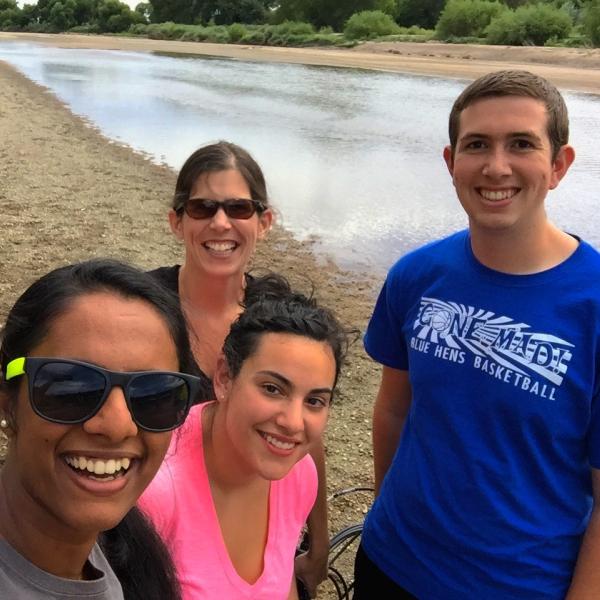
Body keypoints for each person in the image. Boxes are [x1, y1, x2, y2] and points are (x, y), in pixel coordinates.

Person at [354, 70, 600, 599]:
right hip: (390, 563)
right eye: (477, 145)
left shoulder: (593, 305)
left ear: (559, 165)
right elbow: (394, 408)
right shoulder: (416, 275)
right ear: (451, 162)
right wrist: (383, 508)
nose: (496, 166)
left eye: (521, 144)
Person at [150, 141, 330, 596]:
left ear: (264, 222)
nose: (221, 223)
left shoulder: (276, 316)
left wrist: (320, 536)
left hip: (258, 519)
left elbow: (304, 433)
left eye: (239, 208)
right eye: (202, 207)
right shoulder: (146, 314)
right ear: (177, 221)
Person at [0, 259, 210, 599]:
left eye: (154, 393)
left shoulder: (117, 555)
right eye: (72, 387)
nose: (116, 426)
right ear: (9, 403)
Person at [140, 274, 349, 599]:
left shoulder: (298, 475)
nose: (293, 423)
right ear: (224, 378)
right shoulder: (156, 491)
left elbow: (282, 587)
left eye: (314, 401)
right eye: (272, 388)